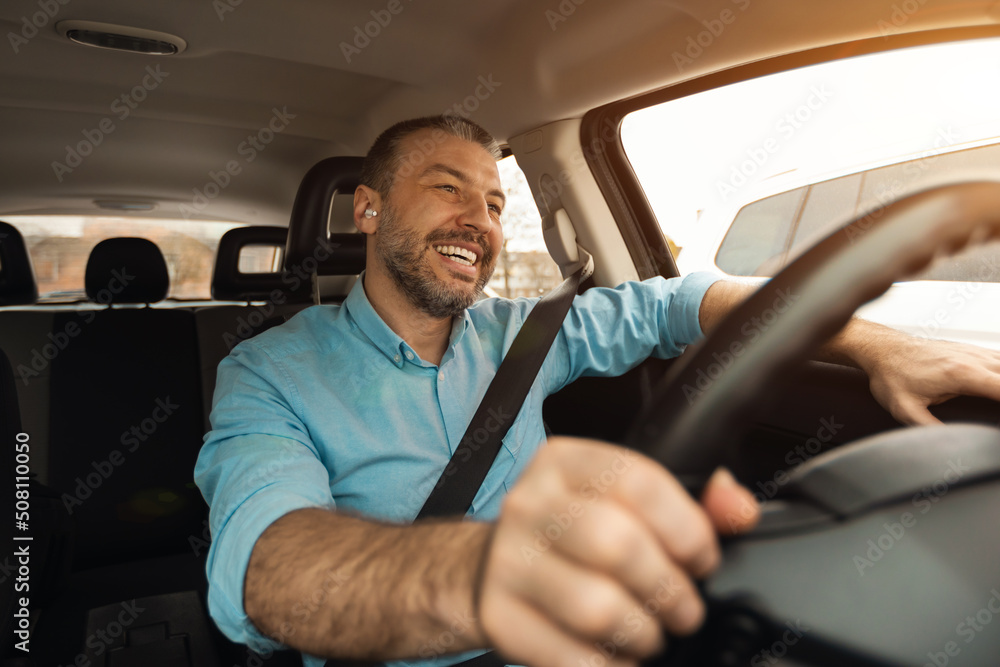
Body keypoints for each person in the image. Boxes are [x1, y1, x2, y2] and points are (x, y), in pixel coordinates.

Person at [194, 115, 1000, 667]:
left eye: (495, 201)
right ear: (366, 209)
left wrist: (874, 342)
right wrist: (486, 574)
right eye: (448, 188)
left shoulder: (529, 334)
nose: (480, 218)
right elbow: (266, 563)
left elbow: (686, 301)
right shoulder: (269, 370)